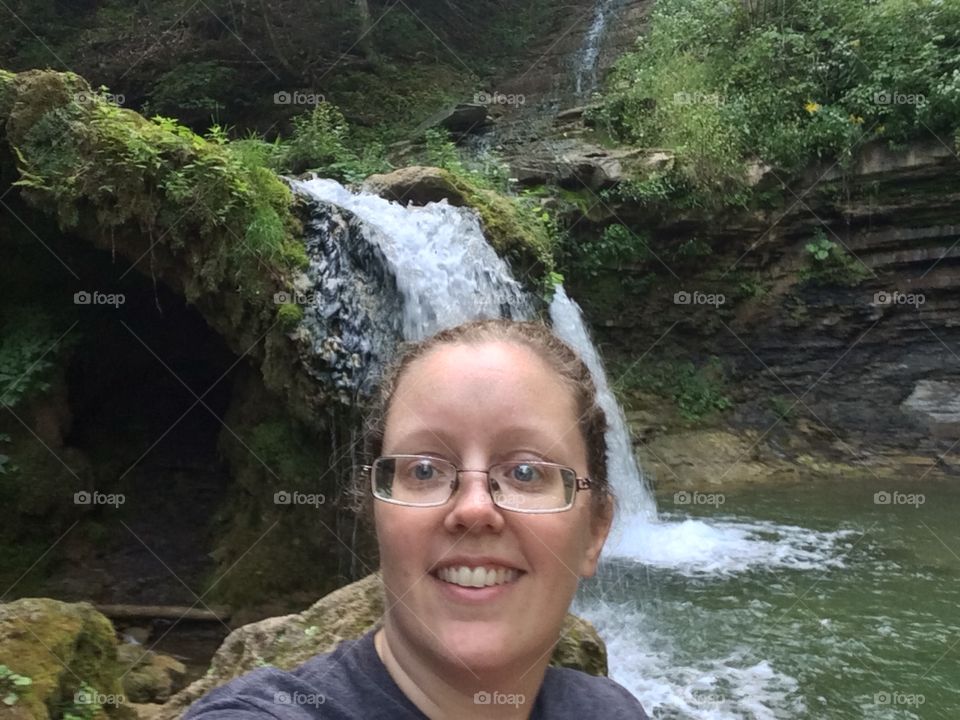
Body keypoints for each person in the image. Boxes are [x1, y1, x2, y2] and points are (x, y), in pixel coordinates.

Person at [184, 318, 648, 719]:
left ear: (595, 531)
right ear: (373, 511)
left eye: (525, 472)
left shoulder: (606, 710)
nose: (473, 508)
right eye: (424, 470)